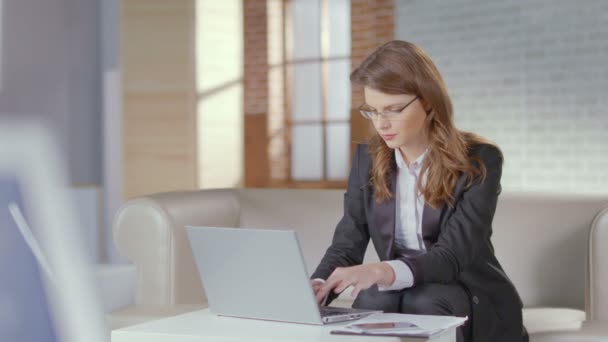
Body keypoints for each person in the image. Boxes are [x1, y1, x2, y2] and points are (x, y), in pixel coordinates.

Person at [310, 40, 527, 342]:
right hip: (404, 290)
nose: (381, 123)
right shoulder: (368, 158)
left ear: (428, 101)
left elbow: (451, 256)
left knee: (424, 299)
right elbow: (349, 240)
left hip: (466, 290)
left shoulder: (479, 159)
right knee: (374, 298)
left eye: (393, 110)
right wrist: (318, 285)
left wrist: (381, 271)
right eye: (372, 111)